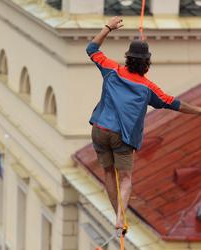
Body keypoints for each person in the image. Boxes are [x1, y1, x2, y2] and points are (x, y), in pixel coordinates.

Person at [86, 16, 201, 236]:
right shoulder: (148, 88)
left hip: (99, 129)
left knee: (109, 173)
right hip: (122, 137)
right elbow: (174, 104)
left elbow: (91, 48)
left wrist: (108, 27)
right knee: (126, 177)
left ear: (128, 59)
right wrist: (199, 111)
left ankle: (117, 214)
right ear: (146, 64)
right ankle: (121, 216)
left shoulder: (112, 70)